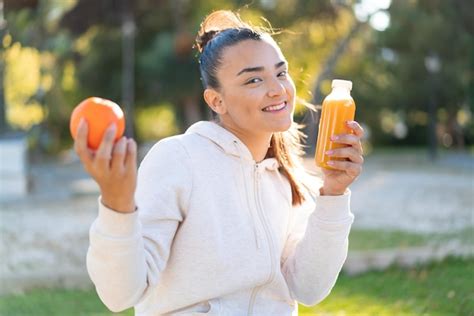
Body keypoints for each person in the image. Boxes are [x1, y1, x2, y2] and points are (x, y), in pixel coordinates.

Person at [74, 10, 364, 316]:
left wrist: (333, 193)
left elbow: (308, 287)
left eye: (281, 73)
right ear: (216, 101)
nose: (278, 89)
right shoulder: (178, 159)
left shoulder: (285, 177)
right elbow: (121, 294)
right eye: (254, 79)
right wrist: (117, 206)